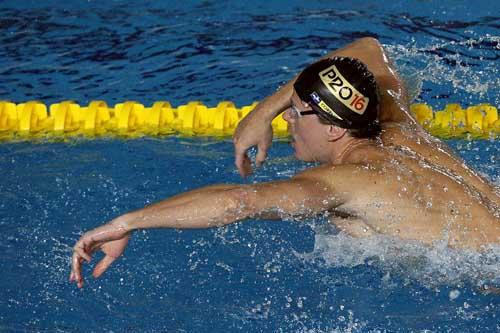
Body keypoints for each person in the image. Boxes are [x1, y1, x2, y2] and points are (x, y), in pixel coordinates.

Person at [70, 37, 499, 289]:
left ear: (334, 128)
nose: (288, 120)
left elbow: (241, 202)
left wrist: (129, 221)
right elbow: (367, 48)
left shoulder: (345, 181)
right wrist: (263, 111)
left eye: (296, 112)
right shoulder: (396, 123)